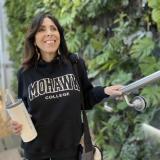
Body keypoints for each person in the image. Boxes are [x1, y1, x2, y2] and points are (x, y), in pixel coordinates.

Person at [10, 12, 122, 160]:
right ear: (34, 39)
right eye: (42, 29)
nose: (49, 33)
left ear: (60, 35)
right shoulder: (25, 73)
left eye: (53, 28)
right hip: (36, 152)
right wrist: (17, 125)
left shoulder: (74, 64)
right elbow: (24, 111)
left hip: (70, 152)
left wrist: (105, 90)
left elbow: (86, 98)